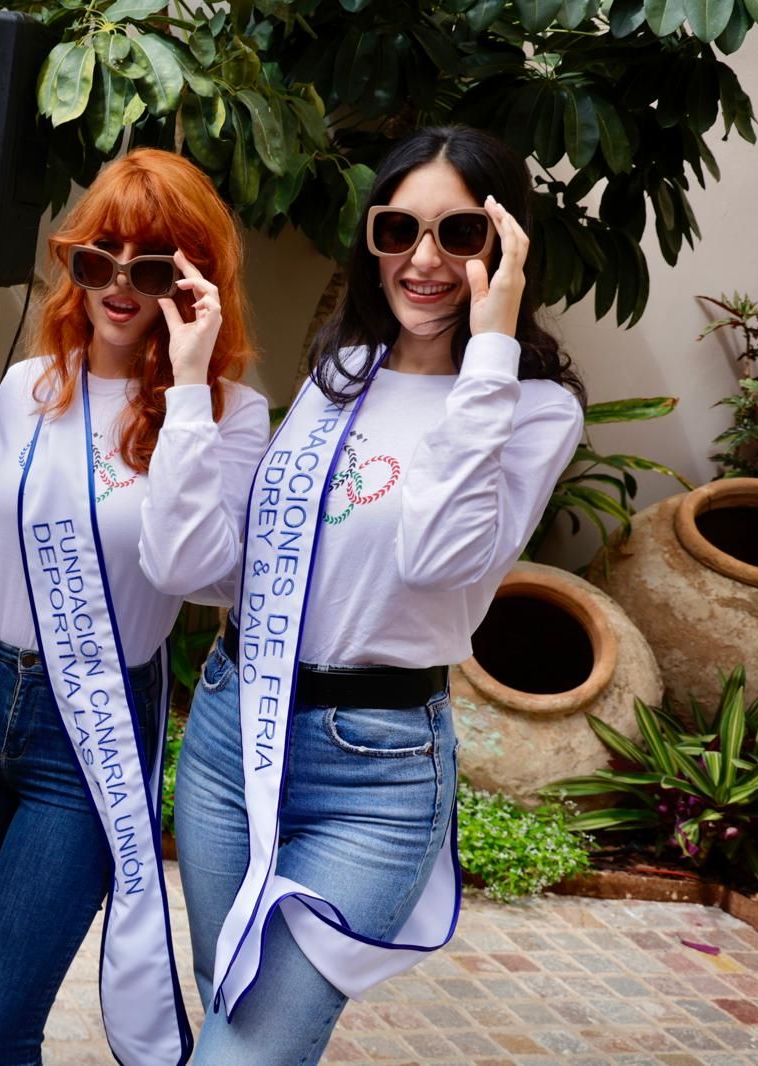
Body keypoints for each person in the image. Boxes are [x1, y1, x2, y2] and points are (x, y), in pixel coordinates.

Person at [174, 125, 587, 1064]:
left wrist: (488, 353)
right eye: (399, 230)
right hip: (235, 730)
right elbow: (254, 561)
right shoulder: (340, 374)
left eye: (460, 233)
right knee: (226, 1008)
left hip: (376, 769)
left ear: (507, 244)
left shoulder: (533, 408)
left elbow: (438, 557)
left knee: (248, 1052)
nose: (425, 260)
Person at [0, 148, 269, 1065]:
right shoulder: (30, 384)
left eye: (151, 262)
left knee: (0, 1022)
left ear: (197, 277)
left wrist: (188, 389)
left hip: (91, 726)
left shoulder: (233, 415)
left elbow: (195, 570)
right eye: (98, 254)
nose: (120, 283)